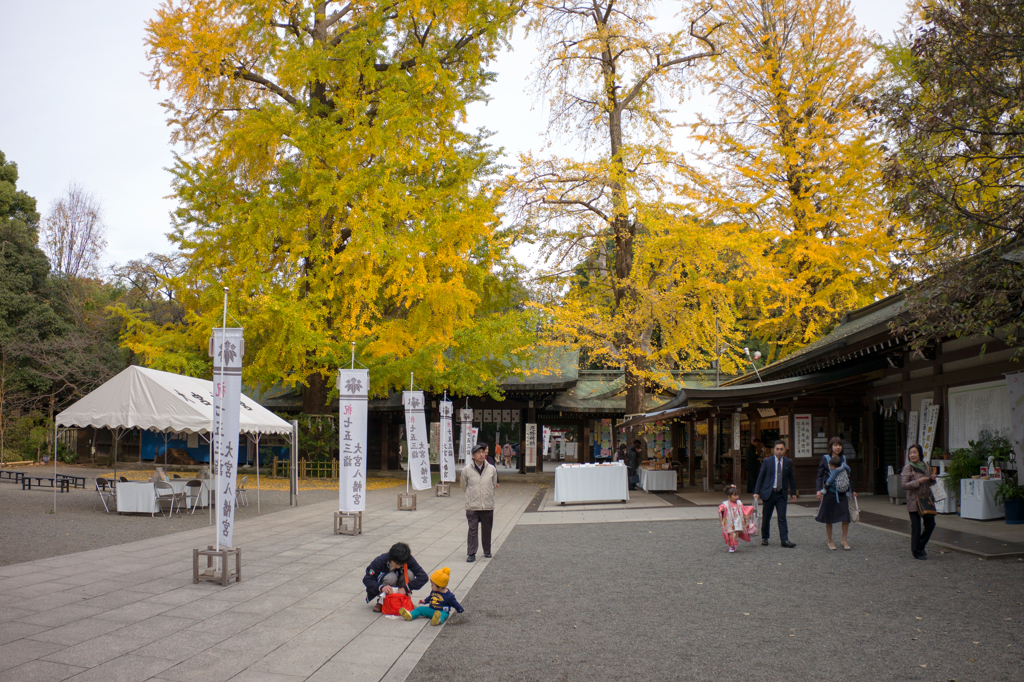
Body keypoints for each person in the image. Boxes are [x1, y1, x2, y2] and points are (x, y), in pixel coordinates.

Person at [753, 440, 798, 548]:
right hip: (769, 493)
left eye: (781, 449)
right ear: (774, 450)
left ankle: (784, 539)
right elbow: (761, 477)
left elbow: (791, 478)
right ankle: (765, 537)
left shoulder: (788, 462)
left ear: (785, 450)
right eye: (777, 449)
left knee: (782, 517)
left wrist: (793, 493)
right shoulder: (767, 461)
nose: (779, 451)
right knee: (766, 516)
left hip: (781, 493)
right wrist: (756, 492)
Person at [362, 542, 429, 612]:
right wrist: (381, 587)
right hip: (385, 587)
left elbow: (423, 577)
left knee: (410, 574)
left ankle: (403, 600)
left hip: (402, 588)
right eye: (397, 564)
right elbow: (367, 579)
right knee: (391, 577)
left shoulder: (408, 559)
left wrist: (406, 588)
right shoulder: (380, 561)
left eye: (402, 564)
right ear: (391, 558)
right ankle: (382, 601)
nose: (399, 566)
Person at [815, 437, 856, 550]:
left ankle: (844, 539)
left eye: (839, 445)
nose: (837, 447)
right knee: (829, 517)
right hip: (829, 492)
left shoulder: (843, 458)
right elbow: (820, 475)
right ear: (831, 447)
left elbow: (847, 476)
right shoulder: (825, 458)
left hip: (842, 492)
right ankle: (830, 540)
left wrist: (852, 490)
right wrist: (819, 489)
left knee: (845, 517)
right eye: (835, 445)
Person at [901, 444, 938, 560]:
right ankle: (916, 551)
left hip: (926, 500)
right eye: (910, 453)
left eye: (914, 452)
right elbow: (904, 485)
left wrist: (932, 480)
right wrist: (918, 481)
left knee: (930, 525)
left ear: (920, 454)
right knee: (916, 527)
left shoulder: (925, 466)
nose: (912, 455)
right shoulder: (908, 468)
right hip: (914, 501)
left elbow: (928, 483)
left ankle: (920, 545)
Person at [462, 443, 497, 563]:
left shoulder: (491, 468)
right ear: (473, 455)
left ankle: (487, 550)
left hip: (487, 504)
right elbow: (463, 486)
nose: (481, 454)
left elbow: (493, 484)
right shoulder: (466, 470)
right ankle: (471, 553)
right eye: (478, 452)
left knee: (487, 529)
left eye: (483, 452)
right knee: (472, 530)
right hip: (472, 505)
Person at [399, 567, 464, 626]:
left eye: (433, 585)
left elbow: (455, 603)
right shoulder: (434, 591)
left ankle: (437, 620)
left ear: (440, 587)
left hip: (442, 611)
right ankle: (410, 615)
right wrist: (424, 601)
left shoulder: (449, 596)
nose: (431, 586)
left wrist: (459, 609)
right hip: (432, 610)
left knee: (443, 615)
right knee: (420, 609)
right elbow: (430, 597)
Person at [718, 485, 753, 553]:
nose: (737, 497)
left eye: (737, 495)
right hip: (729, 521)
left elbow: (743, 510)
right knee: (730, 533)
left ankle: (734, 545)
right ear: (729, 497)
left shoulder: (739, 503)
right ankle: (731, 546)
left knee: (735, 534)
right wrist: (722, 510)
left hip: (737, 521)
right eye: (734, 495)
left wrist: (750, 509)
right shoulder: (725, 504)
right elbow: (721, 508)